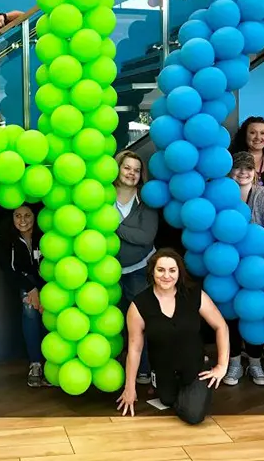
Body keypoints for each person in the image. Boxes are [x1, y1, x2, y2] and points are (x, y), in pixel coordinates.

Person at [116, 249, 229, 424]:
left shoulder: (194, 294)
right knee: (167, 400)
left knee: (193, 415)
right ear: (152, 271)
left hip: (195, 369)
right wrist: (130, 388)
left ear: (179, 272)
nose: (166, 276)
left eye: (172, 270)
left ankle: (195, 390)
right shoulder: (139, 305)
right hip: (164, 371)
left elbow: (221, 326)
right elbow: (135, 349)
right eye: (161, 270)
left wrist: (222, 366)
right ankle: (172, 390)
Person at [222, 152, 264, 386]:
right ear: (230, 171)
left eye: (248, 168)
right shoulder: (221, 196)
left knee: (254, 312)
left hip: (256, 267)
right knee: (230, 313)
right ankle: (234, 363)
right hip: (226, 266)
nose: (243, 173)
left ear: (255, 172)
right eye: (238, 168)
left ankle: (255, 363)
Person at [114, 150, 158, 385]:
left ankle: (144, 368)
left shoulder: (146, 200)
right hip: (106, 272)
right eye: (127, 168)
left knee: (140, 322)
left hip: (139, 271)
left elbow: (145, 236)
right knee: (113, 322)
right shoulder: (101, 197)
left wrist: (114, 226)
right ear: (117, 168)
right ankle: (116, 369)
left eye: (137, 170)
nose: (131, 173)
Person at [2, 204, 51, 388]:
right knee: (30, 311)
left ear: (34, 216)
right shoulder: (9, 238)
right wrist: (31, 290)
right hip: (25, 282)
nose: (22, 220)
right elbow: (9, 270)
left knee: (50, 315)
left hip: (48, 283)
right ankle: (35, 364)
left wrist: (45, 293)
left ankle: (52, 363)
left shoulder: (45, 235)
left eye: (27, 215)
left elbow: (50, 265)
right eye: (18, 216)